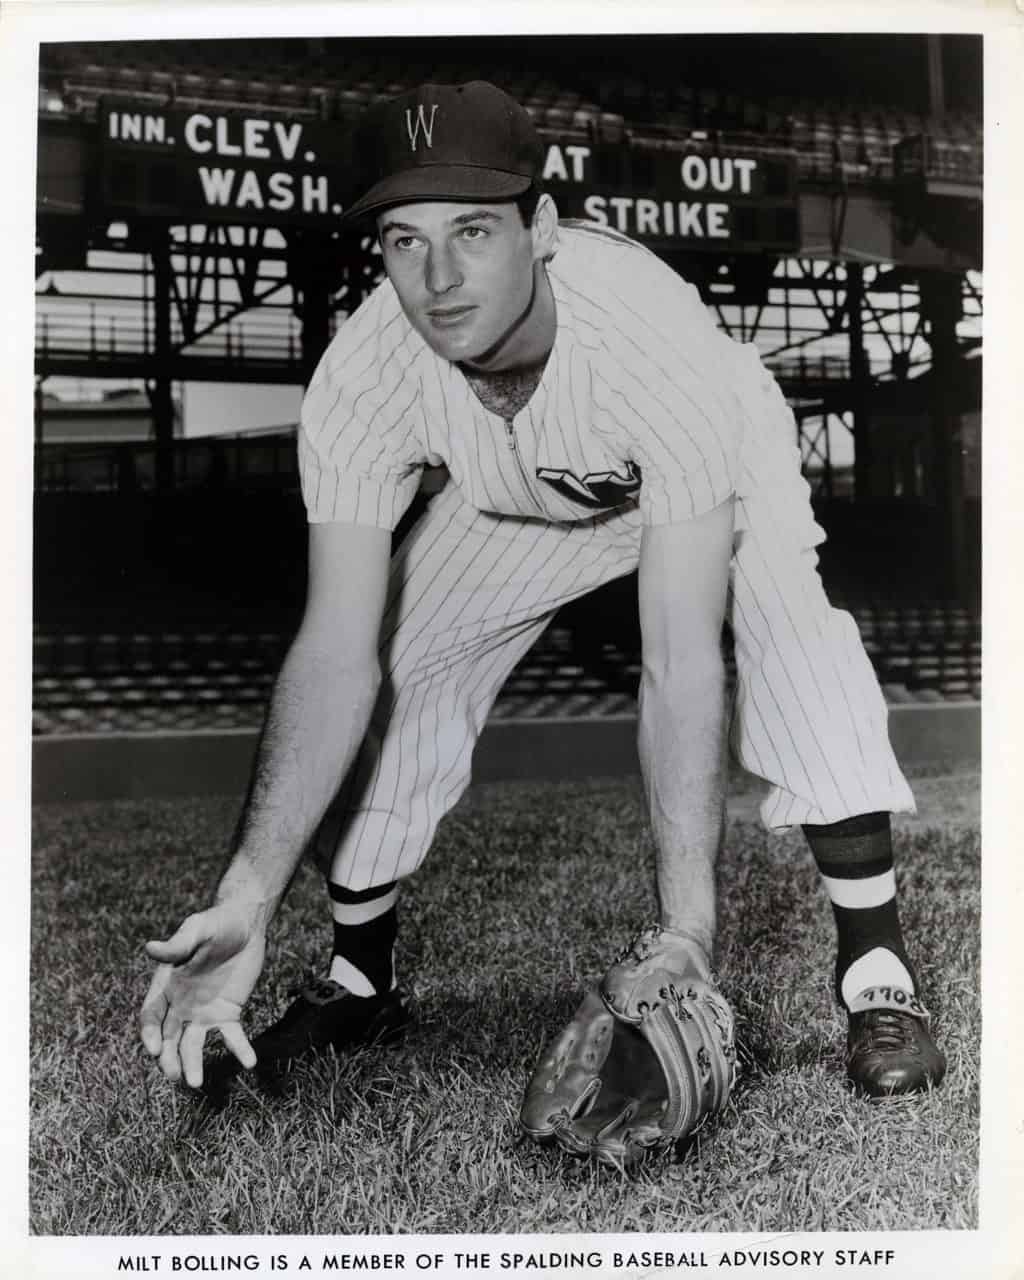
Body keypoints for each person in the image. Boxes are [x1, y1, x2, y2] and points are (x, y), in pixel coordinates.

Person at [139, 80, 944, 1112]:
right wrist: (246, 892)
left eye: (472, 228)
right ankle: (358, 980)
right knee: (395, 665)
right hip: (510, 492)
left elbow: (678, 655)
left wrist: (687, 929)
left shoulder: (652, 345)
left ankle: (875, 974)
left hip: (695, 462)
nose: (436, 276)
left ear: (543, 228)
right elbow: (333, 646)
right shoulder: (366, 374)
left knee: (788, 618)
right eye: (402, 239)